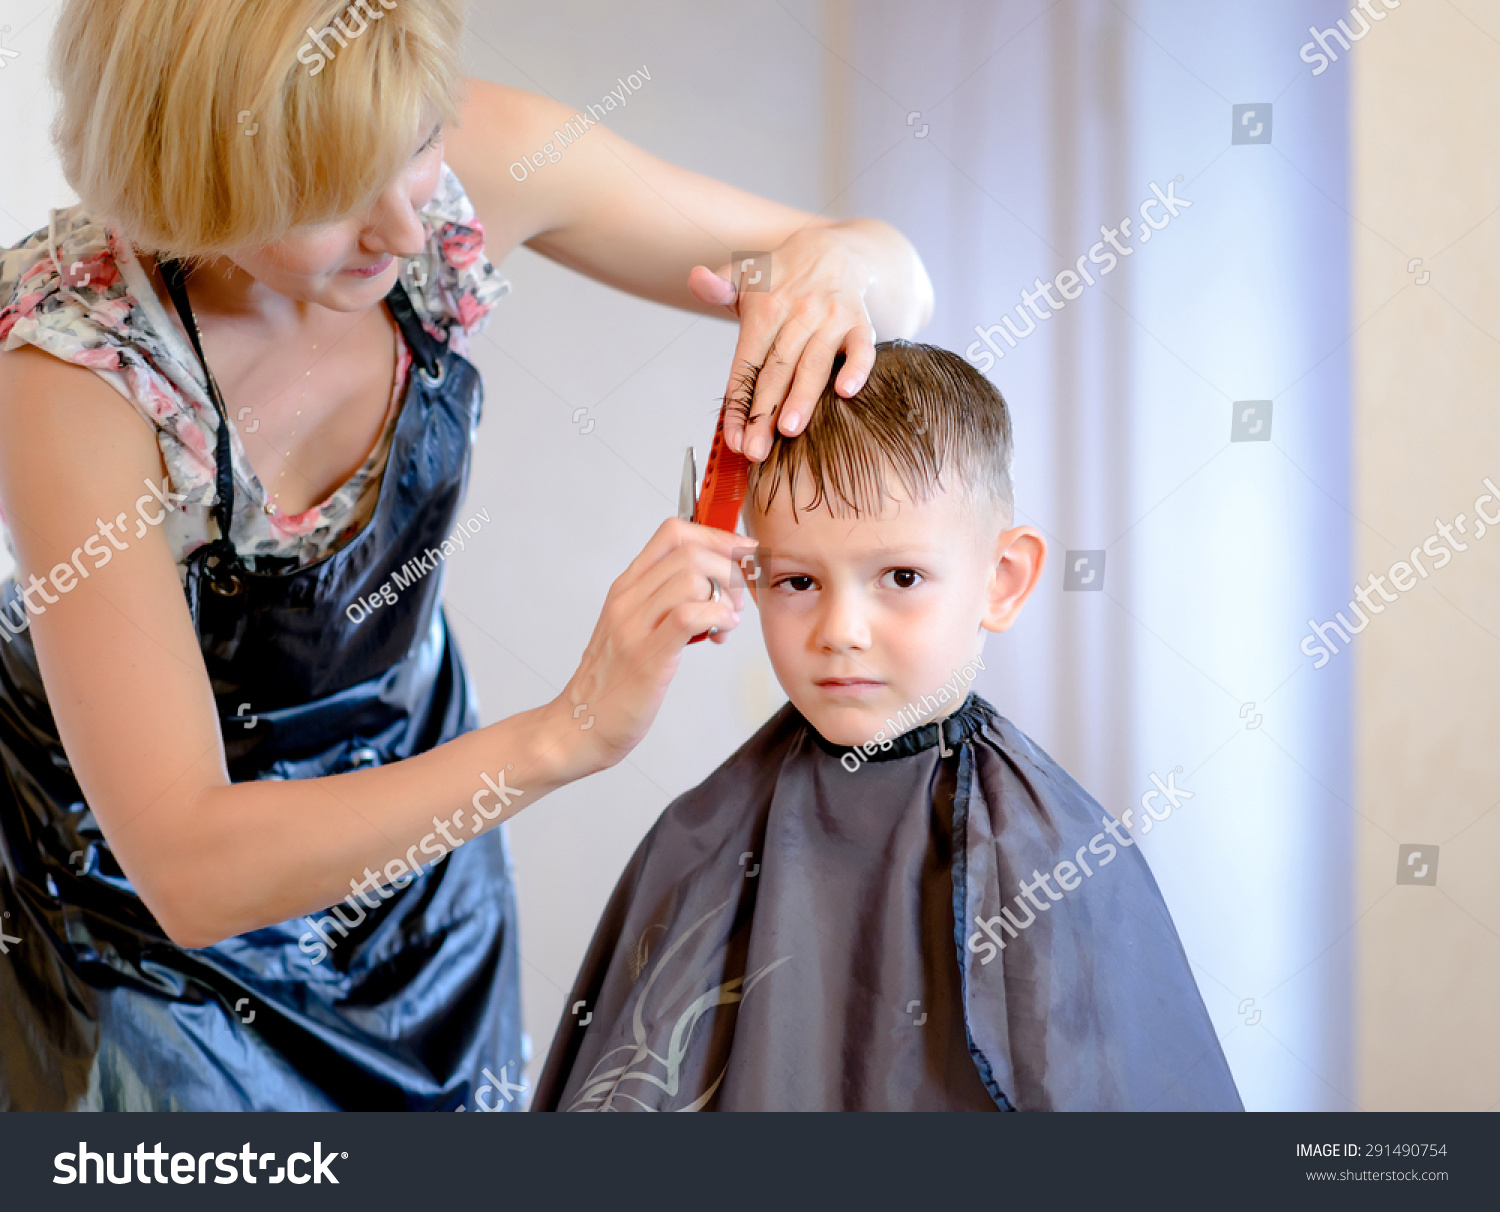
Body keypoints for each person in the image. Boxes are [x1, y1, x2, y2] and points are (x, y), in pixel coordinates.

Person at [0, 0, 933, 1111]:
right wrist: (570, 731)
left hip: (421, 854)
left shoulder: (431, 162)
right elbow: (191, 870)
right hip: (138, 921)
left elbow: (892, 271)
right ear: (192, 170)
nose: (405, 226)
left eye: (419, 143)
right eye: (338, 193)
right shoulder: (72, 372)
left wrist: (828, 280)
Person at [534, 342, 1243, 1111]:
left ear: (1001, 582)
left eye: (901, 578)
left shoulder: (1061, 860)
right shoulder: (698, 837)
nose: (841, 630)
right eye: (797, 581)